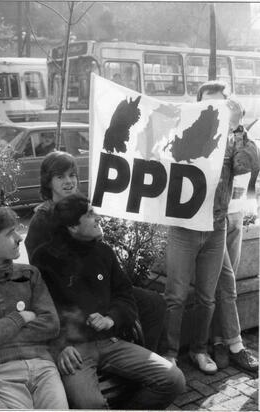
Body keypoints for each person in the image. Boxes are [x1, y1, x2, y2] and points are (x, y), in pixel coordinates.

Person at [31, 193, 185, 409]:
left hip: (111, 342)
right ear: (73, 227)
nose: (98, 217)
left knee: (173, 379)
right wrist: (61, 346)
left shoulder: (103, 252)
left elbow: (125, 294)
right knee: (90, 404)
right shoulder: (44, 259)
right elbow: (41, 310)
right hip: (74, 352)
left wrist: (112, 319)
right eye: (90, 214)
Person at [25, 151, 167, 353]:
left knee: (153, 303)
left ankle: (148, 357)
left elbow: (99, 255)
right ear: (48, 182)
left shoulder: (81, 205)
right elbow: (39, 272)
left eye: (72, 175)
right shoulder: (43, 219)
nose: (69, 181)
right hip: (71, 295)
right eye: (60, 176)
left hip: (98, 283)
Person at [164, 81, 259, 374]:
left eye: (221, 105)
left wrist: (236, 127)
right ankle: (169, 353)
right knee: (176, 295)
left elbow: (248, 165)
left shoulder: (233, 139)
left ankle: (199, 350)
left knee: (207, 297)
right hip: (184, 228)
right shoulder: (180, 133)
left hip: (216, 227)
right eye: (209, 105)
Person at [0, 207, 68, 409]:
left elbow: (51, 324)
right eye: (9, 234)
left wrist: (1, 331)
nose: (19, 238)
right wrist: (21, 318)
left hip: (43, 367)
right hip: (3, 374)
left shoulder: (30, 274)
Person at [211, 100, 259, 372]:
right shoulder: (207, 136)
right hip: (212, 219)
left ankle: (219, 340)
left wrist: (237, 128)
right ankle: (235, 344)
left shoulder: (241, 136)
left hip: (236, 215)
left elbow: (250, 161)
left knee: (224, 284)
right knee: (226, 281)